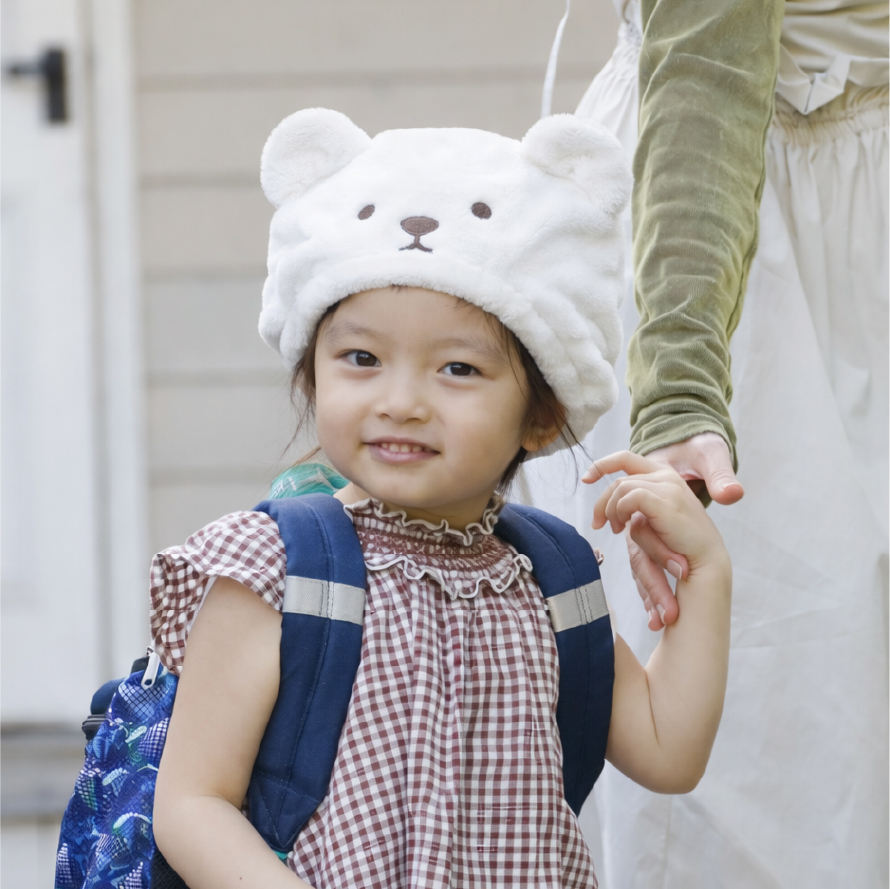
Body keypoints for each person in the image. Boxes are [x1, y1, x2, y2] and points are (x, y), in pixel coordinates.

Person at [147, 108, 732, 889]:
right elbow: (193, 802)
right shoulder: (278, 570)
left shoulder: (548, 578)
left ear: (542, 413)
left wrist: (706, 573)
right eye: (362, 357)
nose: (401, 401)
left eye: (457, 368)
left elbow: (667, 749)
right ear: (312, 370)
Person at [520, 0, 888, 885]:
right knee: (774, 729)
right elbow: (707, 77)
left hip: (860, 215)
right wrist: (682, 390)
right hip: (728, 241)